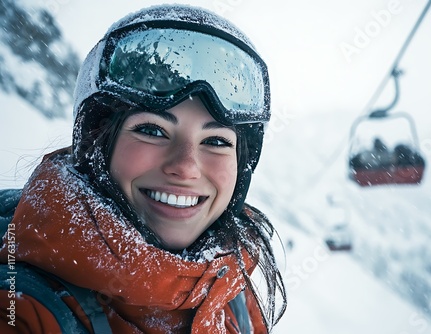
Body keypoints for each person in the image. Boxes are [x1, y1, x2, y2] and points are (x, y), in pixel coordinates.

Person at [0, 4, 286, 333]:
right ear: (99, 142)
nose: (186, 167)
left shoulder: (231, 293)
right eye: (152, 130)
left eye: (217, 141)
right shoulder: (25, 307)